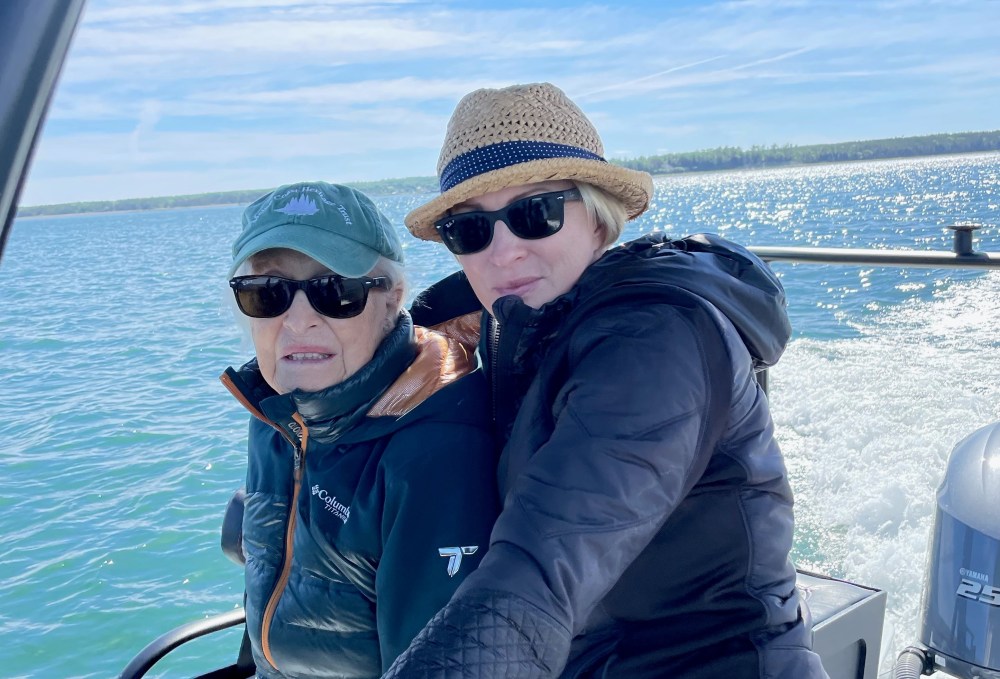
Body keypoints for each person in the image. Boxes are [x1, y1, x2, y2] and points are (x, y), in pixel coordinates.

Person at [386, 84, 828, 677]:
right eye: (469, 230)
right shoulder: (517, 325)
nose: (503, 252)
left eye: (535, 213)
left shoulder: (656, 341)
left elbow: (540, 574)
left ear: (597, 219)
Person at [220, 181, 499, 679]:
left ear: (392, 300)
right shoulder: (277, 411)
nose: (298, 321)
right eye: (267, 294)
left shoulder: (434, 451)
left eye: (336, 292)